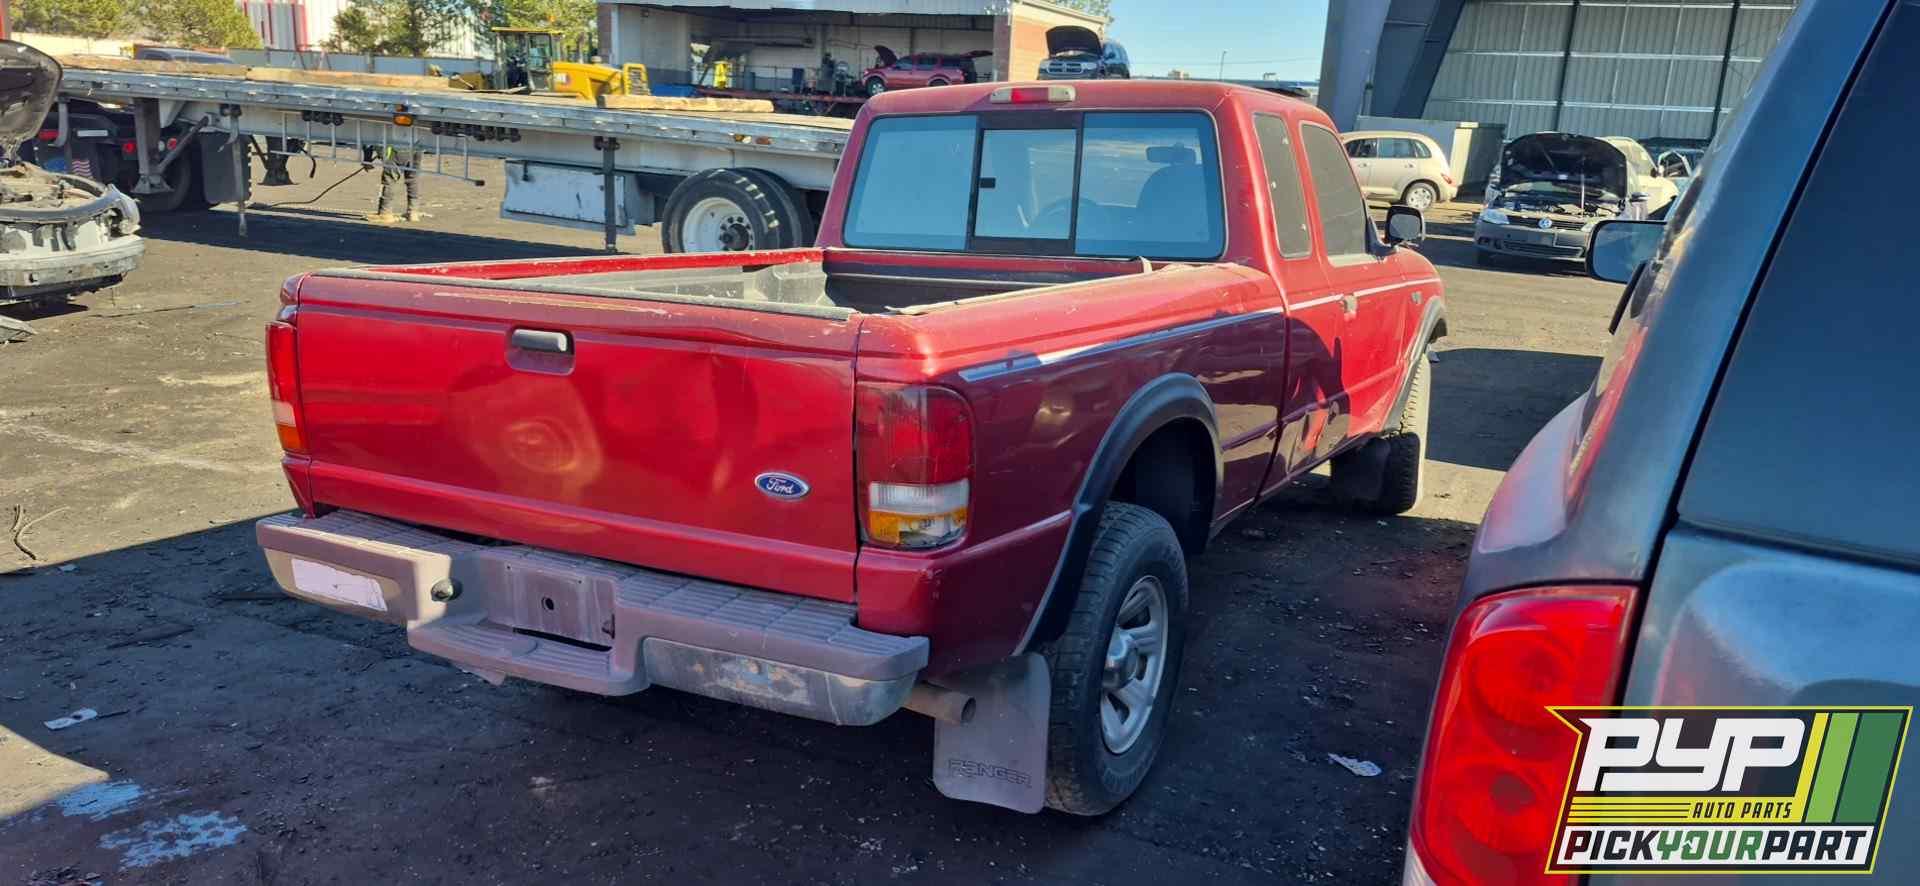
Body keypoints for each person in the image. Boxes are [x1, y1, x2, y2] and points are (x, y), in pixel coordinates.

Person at [362, 143, 424, 223]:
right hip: (416, 147)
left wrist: (367, 160)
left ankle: (385, 213)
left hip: (394, 150)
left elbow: (367, 142)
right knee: (412, 179)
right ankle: (413, 212)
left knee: (389, 180)